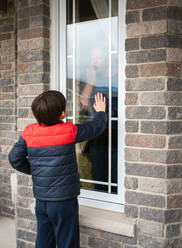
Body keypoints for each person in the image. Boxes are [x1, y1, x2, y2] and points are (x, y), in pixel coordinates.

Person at [8, 90, 107, 248]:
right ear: (62, 114)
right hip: (64, 202)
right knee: (67, 243)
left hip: (42, 200)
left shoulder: (29, 132)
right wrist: (101, 112)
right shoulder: (69, 131)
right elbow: (95, 127)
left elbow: (14, 158)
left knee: (43, 242)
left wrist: (37, 171)